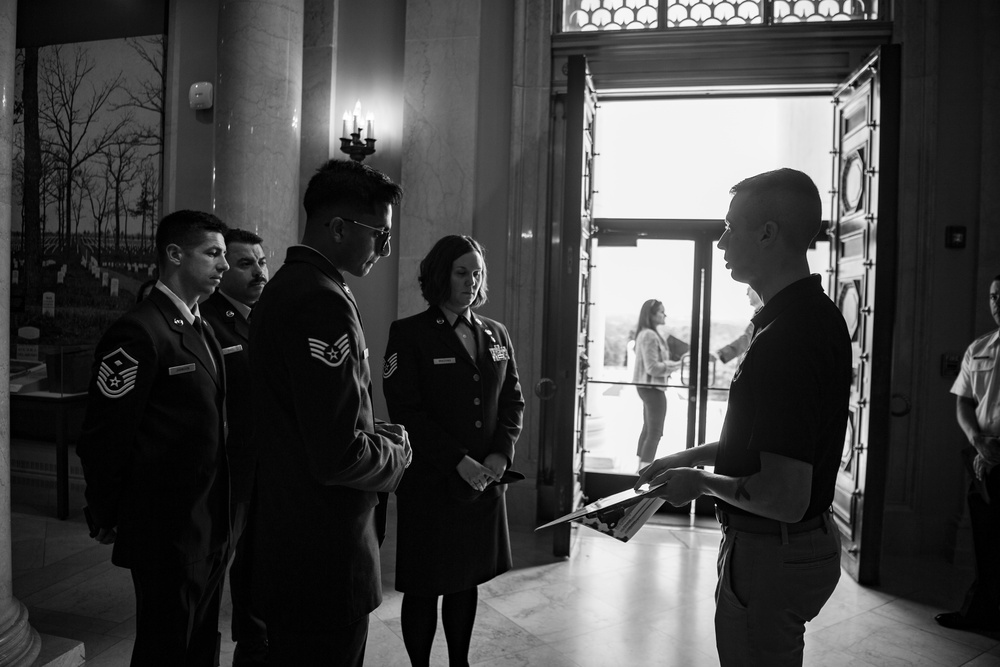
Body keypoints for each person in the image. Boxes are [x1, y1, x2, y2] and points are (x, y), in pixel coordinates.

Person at [636, 168, 851, 666]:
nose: (721, 241)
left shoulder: (789, 338)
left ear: (768, 233)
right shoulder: (804, 316)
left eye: (731, 226)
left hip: (773, 550)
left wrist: (700, 482)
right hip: (785, 545)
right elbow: (768, 443)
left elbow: (783, 495)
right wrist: (690, 455)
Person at [249, 159, 412, 665]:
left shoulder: (293, 286)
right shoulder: (320, 300)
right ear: (338, 227)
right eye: (379, 234)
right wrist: (397, 455)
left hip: (294, 539)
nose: (385, 248)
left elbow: (312, 416)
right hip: (321, 551)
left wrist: (375, 430)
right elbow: (337, 454)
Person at [76, 210, 231, 666]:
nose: (223, 265)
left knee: (199, 644)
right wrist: (105, 510)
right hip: (168, 529)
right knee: (166, 649)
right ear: (175, 255)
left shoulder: (200, 325)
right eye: (213, 253)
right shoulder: (139, 330)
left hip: (208, 523)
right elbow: (106, 435)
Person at [383, 235, 524, 667]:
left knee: (466, 580)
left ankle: (458, 662)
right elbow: (407, 411)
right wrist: (457, 460)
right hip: (432, 480)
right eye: (462, 272)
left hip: (483, 481)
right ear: (441, 274)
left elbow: (512, 400)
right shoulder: (408, 333)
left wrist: (501, 454)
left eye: (477, 273)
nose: (471, 281)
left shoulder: (495, 332)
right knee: (425, 584)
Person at [199, 228, 268, 665]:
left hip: (263, 466)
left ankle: (254, 640)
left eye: (262, 261)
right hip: (224, 471)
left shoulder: (268, 315)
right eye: (245, 263)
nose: (259, 271)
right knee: (209, 578)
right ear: (221, 269)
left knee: (259, 565)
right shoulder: (207, 320)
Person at [935, 274, 1000, 632]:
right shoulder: (979, 348)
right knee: (985, 542)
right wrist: (977, 441)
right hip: (984, 458)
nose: (997, 303)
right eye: (993, 297)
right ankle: (979, 612)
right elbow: (964, 401)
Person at [632, 299, 681, 470]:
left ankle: (639, 470)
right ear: (651, 315)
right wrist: (675, 365)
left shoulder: (646, 333)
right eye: (661, 311)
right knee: (655, 432)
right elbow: (652, 367)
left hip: (647, 387)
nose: (664, 315)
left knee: (648, 430)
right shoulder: (649, 335)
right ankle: (644, 473)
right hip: (652, 388)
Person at [715, 286, 763, 364]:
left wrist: (721, 354)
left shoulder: (762, 313)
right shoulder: (759, 312)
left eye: (749, 290)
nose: (747, 294)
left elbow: (746, 339)